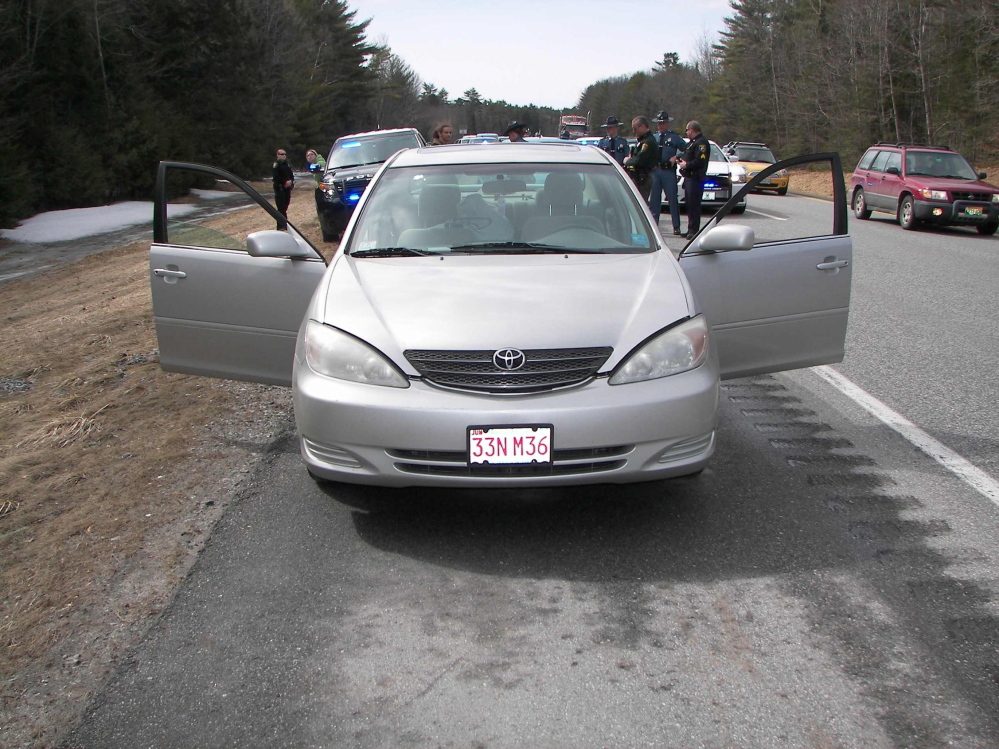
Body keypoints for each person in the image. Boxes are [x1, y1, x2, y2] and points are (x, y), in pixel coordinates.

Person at [648, 111, 686, 235]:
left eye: (663, 123)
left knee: (672, 200)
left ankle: (676, 226)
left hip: (668, 171)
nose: (661, 126)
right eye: (659, 123)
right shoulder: (654, 137)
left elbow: (687, 149)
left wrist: (677, 156)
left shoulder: (674, 137)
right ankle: (654, 226)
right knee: (654, 200)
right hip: (656, 171)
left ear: (668, 123)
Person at [676, 121, 710, 238]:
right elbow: (687, 156)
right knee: (689, 205)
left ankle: (694, 230)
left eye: (687, 130)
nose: (686, 133)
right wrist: (681, 161)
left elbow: (700, 161)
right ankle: (691, 228)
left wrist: (687, 165)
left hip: (696, 178)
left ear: (691, 129)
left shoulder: (701, 143)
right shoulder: (692, 143)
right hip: (689, 177)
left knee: (694, 205)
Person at [623, 116, 658, 197]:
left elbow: (639, 160)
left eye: (635, 128)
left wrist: (627, 161)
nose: (634, 131)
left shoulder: (648, 142)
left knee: (641, 201)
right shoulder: (642, 140)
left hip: (643, 177)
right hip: (637, 176)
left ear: (642, 127)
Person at [272, 148, 294, 230]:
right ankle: (282, 225)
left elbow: (291, 175)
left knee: (285, 205)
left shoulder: (286, 164)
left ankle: (283, 224)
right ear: (277, 155)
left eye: (285, 154)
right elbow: (276, 178)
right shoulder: (276, 165)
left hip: (287, 189)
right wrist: (284, 183)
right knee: (281, 207)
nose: (284, 156)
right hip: (280, 189)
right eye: (282, 154)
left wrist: (291, 181)